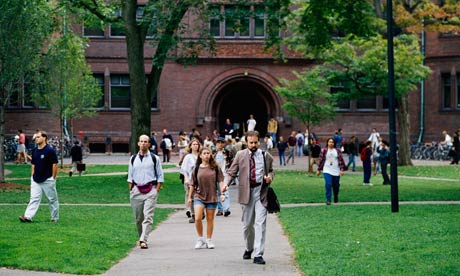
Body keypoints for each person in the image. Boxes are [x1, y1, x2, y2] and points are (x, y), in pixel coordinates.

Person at [223, 130, 275, 265]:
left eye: (256, 142)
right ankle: (249, 248)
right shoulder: (240, 155)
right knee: (247, 225)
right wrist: (225, 184)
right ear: (246, 142)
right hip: (246, 192)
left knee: (260, 223)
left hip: (261, 192)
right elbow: (231, 172)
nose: (254, 145)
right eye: (251, 142)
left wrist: (270, 178)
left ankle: (258, 254)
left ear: (259, 141)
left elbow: (271, 170)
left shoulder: (265, 155)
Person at [127, 135, 164, 249]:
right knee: (139, 218)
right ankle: (141, 237)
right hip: (136, 190)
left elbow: (160, 176)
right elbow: (130, 176)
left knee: (148, 216)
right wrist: (132, 190)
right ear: (138, 143)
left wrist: (156, 190)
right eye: (141, 141)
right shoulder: (133, 159)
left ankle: (143, 239)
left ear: (149, 144)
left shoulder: (154, 158)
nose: (143, 143)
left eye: (145, 142)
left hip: (150, 191)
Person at [188, 147, 226, 249]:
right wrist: (189, 198)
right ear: (200, 155)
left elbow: (221, 181)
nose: (206, 155)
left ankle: (209, 240)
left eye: (208, 153)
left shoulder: (215, 167)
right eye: (204, 153)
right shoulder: (196, 169)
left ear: (210, 155)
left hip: (212, 196)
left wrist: (222, 193)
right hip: (199, 196)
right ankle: (200, 239)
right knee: (197, 218)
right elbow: (192, 184)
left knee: (210, 219)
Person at [19, 130, 59, 223]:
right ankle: (28, 217)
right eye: (36, 137)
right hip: (36, 179)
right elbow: (33, 163)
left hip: (48, 179)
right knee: (34, 198)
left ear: (44, 138)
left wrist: (53, 177)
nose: (36, 139)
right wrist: (32, 175)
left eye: (38, 137)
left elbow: (55, 164)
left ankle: (54, 217)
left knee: (52, 199)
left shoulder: (50, 150)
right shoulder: (35, 150)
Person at [316, 138, 346, 205]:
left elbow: (341, 160)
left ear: (334, 143)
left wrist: (342, 170)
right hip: (327, 169)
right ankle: (328, 200)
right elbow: (321, 160)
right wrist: (318, 169)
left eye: (332, 142)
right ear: (327, 143)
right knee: (328, 184)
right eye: (329, 142)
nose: (331, 143)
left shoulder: (337, 150)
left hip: (336, 170)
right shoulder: (324, 150)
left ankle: (336, 196)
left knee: (336, 186)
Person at [180, 138, 202, 223]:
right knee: (192, 197)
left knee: (200, 197)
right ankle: (193, 214)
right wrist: (186, 178)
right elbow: (184, 169)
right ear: (190, 146)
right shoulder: (188, 157)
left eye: (197, 144)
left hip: (201, 180)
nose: (195, 146)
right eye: (194, 144)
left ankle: (200, 212)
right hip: (191, 180)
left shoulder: (201, 156)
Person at [213, 137, 231, 217]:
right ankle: (220, 209)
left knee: (225, 191)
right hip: (215, 175)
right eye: (218, 142)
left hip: (225, 175)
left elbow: (232, 163)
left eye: (222, 142)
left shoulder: (227, 153)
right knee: (218, 192)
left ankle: (226, 209)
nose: (220, 144)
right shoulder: (213, 153)